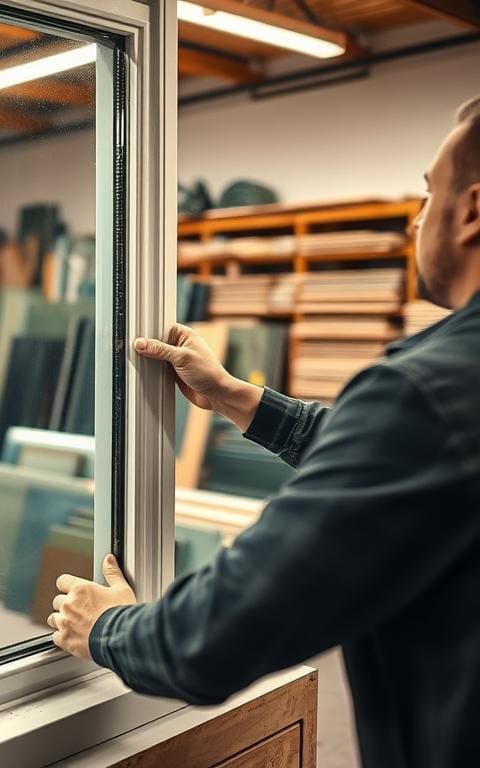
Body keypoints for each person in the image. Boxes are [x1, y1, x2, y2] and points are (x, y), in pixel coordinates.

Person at [48, 95, 480, 768]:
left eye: (429, 194)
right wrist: (236, 397)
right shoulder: (448, 402)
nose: (416, 219)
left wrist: (107, 628)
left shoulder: (428, 392)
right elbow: (416, 462)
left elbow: (215, 637)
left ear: (472, 210)